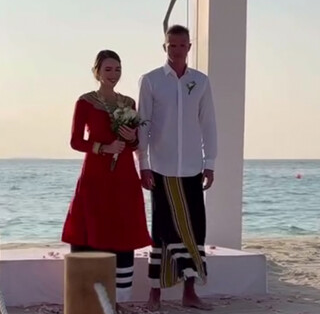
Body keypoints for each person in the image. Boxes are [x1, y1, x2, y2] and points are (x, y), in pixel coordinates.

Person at [137, 25, 217, 311]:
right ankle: (155, 294)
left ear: (189, 47)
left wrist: (210, 163)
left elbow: (208, 123)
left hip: (193, 168)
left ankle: (190, 293)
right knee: (163, 230)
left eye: (182, 45)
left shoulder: (201, 81)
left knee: (194, 230)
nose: (177, 50)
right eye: (172, 45)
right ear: (165, 47)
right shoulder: (151, 81)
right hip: (161, 167)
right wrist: (143, 164)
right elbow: (143, 124)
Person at [61, 50, 152, 304]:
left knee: (123, 225)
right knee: (93, 222)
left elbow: (135, 144)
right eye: (108, 69)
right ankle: (88, 296)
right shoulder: (85, 102)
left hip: (124, 175)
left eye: (118, 69)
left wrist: (131, 138)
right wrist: (103, 148)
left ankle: (119, 299)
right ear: (97, 72)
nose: (114, 74)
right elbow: (76, 141)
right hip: (96, 175)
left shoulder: (128, 103)